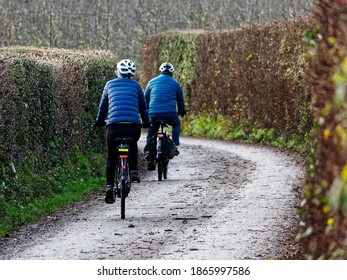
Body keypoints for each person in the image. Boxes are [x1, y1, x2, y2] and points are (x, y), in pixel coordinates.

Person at [94, 59, 150, 204]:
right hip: (133, 127)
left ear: (117, 72)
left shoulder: (109, 85)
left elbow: (103, 107)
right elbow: (143, 108)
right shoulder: (137, 86)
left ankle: (109, 188)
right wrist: (147, 122)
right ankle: (134, 172)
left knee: (111, 157)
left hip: (114, 127)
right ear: (132, 74)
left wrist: (99, 121)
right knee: (132, 145)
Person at [144, 62, 186, 170]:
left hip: (153, 114)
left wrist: (147, 110)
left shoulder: (152, 82)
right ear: (172, 72)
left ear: (160, 71)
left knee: (151, 132)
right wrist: (182, 111)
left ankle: (149, 157)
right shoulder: (176, 83)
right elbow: (180, 100)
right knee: (176, 124)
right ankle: (175, 144)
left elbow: (145, 99)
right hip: (170, 114)